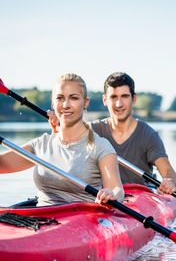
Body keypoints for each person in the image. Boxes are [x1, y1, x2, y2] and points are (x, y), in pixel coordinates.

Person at [0, 73, 124, 206]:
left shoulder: (100, 146)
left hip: (81, 221)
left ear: (85, 102)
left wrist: (111, 194)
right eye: (60, 98)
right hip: (40, 222)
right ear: (53, 103)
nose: (66, 105)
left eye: (74, 98)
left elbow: (117, 190)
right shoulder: (41, 144)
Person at [91, 72, 176, 195]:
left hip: (140, 198)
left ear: (134, 99)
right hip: (105, 196)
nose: (119, 104)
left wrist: (169, 181)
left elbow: (168, 171)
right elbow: (68, 132)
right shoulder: (92, 130)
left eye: (124, 96)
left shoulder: (148, 134)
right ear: (105, 100)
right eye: (113, 97)